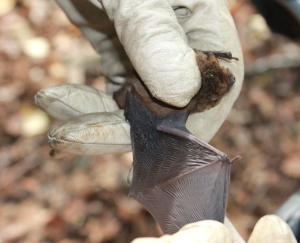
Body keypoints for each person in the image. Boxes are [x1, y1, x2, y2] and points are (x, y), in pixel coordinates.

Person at [35, 0, 297, 242]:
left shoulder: (196, 67)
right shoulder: (180, 100)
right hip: (145, 101)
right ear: (205, 102)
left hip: (140, 97)